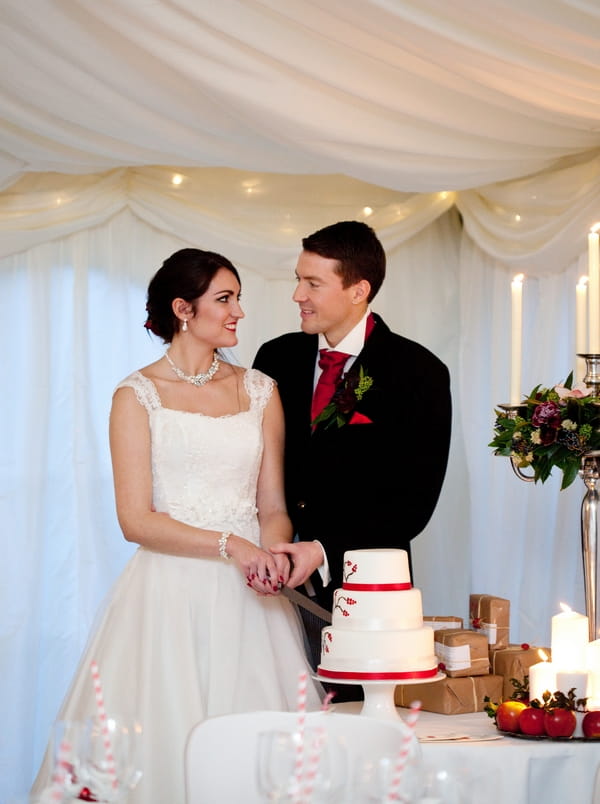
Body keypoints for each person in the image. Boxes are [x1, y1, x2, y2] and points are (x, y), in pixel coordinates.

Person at [32, 248, 321, 804]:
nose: (238, 311)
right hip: (166, 597)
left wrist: (276, 552)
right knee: (162, 748)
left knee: (259, 761)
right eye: (224, 298)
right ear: (183, 308)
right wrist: (230, 545)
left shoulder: (260, 390)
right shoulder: (135, 396)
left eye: (238, 298)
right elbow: (135, 520)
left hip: (251, 603)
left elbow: (271, 504)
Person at [253, 221, 452, 661]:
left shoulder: (419, 373)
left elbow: (413, 505)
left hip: (367, 595)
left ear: (358, 290)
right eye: (298, 280)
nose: (297, 295)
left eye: (313, 283)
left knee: (356, 721)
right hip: (269, 586)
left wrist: (322, 550)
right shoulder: (275, 358)